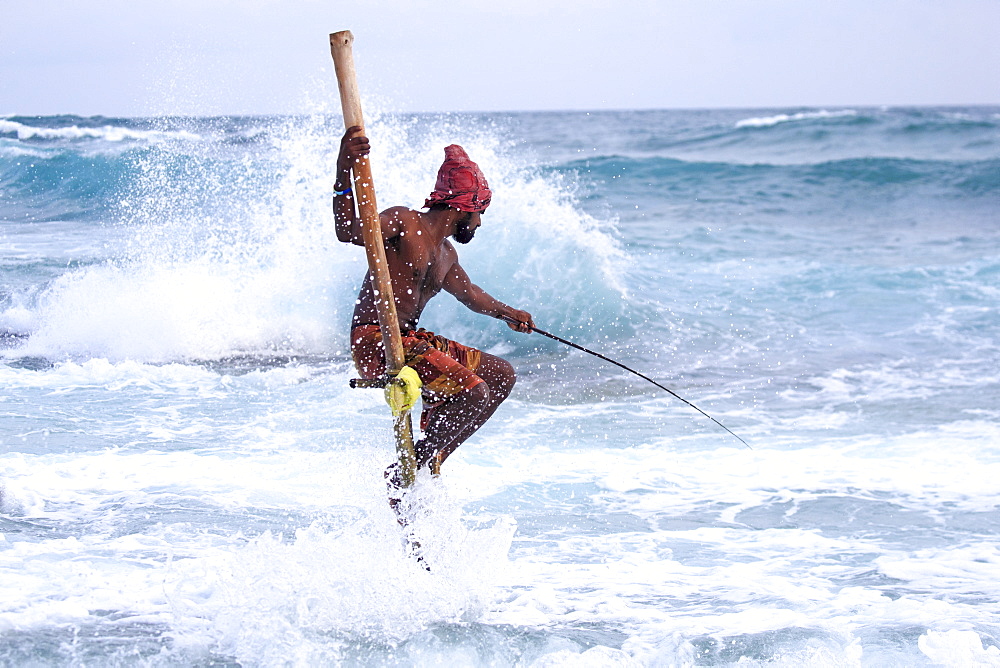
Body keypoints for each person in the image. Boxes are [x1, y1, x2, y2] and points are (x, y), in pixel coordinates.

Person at [334, 126, 534, 492]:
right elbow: (349, 231)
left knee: (500, 375)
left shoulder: (446, 256)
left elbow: (472, 295)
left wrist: (510, 313)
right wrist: (343, 167)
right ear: (463, 206)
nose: (479, 222)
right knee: (474, 392)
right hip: (376, 340)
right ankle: (406, 470)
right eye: (479, 212)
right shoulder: (404, 222)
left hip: (410, 340)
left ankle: (430, 456)